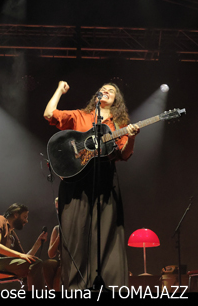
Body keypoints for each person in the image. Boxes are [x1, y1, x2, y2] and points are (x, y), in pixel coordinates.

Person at [43, 81, 140, 289]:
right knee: (76, 235)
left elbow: (124, 154)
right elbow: (49, 114)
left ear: (116, 100)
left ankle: (108, 286)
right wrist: (59, 90)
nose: (106, 91)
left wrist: (131, 138)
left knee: (106, 236)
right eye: (103, 89)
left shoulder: (119, 123)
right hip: (76, 182)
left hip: (105, 182)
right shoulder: (80, 115)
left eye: (111, 91)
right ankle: (77, 288)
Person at [0, 203, 48, 291]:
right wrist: (20, 255)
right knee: (35, 264)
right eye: (24, 217)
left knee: (34, 265)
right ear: (16, 214)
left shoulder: (12, 234)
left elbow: (25, 259)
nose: (26, 221)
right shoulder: (0, 220)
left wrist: (37, 244)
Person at [43, 197, 61, 290]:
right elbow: (51, 254)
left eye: (60, 208)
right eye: (57, 209)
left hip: (74, 261)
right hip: (62, 261)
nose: (58, 212)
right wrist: (59, 237)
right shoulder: (57, 228)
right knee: (47, 264)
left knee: (59, 276)